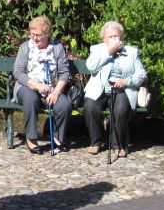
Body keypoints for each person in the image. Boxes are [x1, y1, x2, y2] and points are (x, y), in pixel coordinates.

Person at [83, 21, 147, 158]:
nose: (114, 39)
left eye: (117, 36)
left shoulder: (131, 52)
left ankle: (118, 144)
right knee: (90, 106)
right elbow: (91, 67)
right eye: (111, 37)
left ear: (121, 37)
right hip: (100, 88)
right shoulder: (97, 50)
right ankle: (96, 142)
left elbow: (141, 73)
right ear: (104, 39)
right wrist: (108, 52)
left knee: (120, 109)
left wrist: (126, 81)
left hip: (122, 90)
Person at [12, 15, 73, 154]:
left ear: (47, 34)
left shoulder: (57, 48)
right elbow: (18, 72)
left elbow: (64, 72)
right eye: (32, 34)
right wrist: (37, 85)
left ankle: (58, 138)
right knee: (30, 98)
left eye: (38, 35)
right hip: (27, 87)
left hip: (51, 89)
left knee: (64, 105)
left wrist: (56, 92)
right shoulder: (25, 47)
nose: (34, 38)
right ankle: (31, 139)